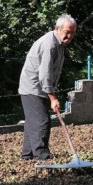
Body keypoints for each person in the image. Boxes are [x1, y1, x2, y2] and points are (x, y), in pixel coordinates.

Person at [18, 14, 77, 160]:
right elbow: (44, 74)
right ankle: (42, 155)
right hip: (33, 87)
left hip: (38, 87)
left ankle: (28, 154)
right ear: (57, 29)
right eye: (67, 32)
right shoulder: (50, 44)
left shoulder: (59, 44)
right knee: (42, 121)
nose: (69, 36)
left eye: (72, 33)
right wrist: (53, 98)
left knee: (33, 121)